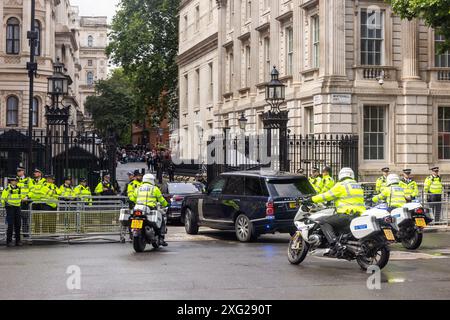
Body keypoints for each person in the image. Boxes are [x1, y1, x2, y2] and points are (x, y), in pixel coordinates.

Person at [311, 168, 366, 254]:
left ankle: (335, 244)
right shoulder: (357, 185)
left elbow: (327, 195)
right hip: (359, 215)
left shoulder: (341, 185)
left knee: (323, 221)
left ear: (341, 175)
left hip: (346, 215)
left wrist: (311, 199)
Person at [133, 174, 169, 246]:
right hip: (150, 207)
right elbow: (161, 199)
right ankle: (161, 238)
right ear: (151, 180)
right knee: (161, 219)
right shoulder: (154, 188)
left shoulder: (138, 188)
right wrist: (166, 204)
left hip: (138, 207)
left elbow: (134, 198)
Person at [1, 177, 25, 247]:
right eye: (13, 181)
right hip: (10, 207)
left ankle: (18, 241)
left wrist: (23, 198)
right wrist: (5, 205)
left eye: (16, 181)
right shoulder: (7, 189)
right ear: (10, 182)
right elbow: (2, 198)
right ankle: (9, 241)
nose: (15, 182)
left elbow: (21, 196)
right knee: (10, 225)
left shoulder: (19, 189)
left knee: (18, 224)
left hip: (17, 207)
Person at [28, 169, 47, 234]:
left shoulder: (44, 181)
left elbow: (43, 190)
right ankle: (37, 232)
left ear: (40, 173)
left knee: (44, 218)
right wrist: (37, 191)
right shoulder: (32, 181)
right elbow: (31, 190)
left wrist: (35, 191)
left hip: (42, 202)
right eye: (34, 172)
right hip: (34, 202)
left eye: (36, 172)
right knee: (36, 218)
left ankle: (44, 233)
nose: (34, 173)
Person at [16, 167, 33, 238]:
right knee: (16, 219)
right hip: (16, 202)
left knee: (25, 219)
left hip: (25, 202)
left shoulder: (28, 180)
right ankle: (16, 234)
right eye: (17, 171)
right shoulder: (15, 179)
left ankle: (25, 234)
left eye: (19, 171)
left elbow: (32, 190)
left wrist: (27, 197)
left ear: (23, 171)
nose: (18, 172)